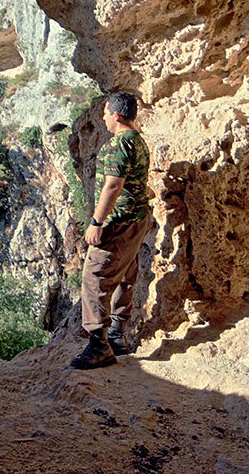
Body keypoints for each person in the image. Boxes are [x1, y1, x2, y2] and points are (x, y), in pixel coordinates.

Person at [70, 91, 153, 369]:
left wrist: (96, 222)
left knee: (94, 278)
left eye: (105, 112)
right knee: (126, 273)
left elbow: (113, 185)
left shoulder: (118, 145)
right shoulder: (138, 142)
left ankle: (99, 346)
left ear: (116, 115)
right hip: (137, 219)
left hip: (117, 223)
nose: (103, 117)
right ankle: (118, 336)